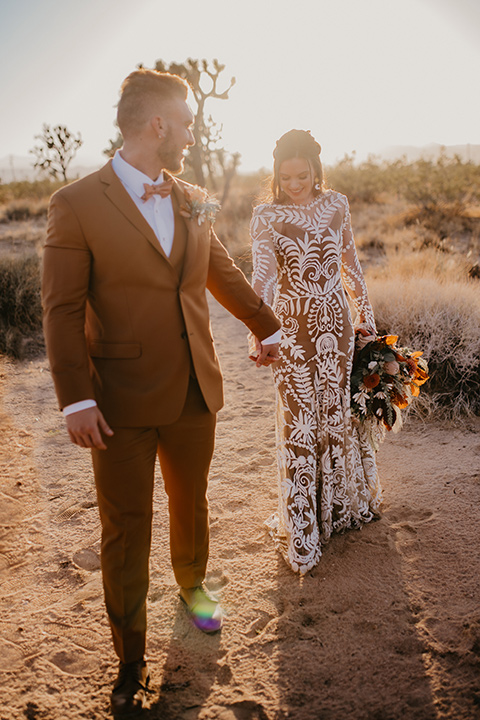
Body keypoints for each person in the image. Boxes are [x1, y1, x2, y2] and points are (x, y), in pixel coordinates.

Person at [42, 68, 280, 717]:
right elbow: (61, 310)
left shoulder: (195, 194)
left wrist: (268, 324)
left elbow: (217, 265)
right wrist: (76, 397)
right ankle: (130, 661)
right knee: (124, 529)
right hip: (115, 400)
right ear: (158, 125)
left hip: (195, 389)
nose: (191, 134)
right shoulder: (76, 202)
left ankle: (194, 592)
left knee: (192, 500)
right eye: (186, 124)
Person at [249, 129, 382, 576]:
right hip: (292, 331)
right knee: (300, 420)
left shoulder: (336, 205)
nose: (294, 184)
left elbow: (351, 264)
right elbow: (263, 278)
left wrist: (366, 317)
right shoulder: (266, 217)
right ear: (276, 174)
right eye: (285, 177)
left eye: (301, 175)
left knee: (336, 411)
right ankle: (305, 526)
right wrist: (258, 329)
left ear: (315, 170)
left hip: (337, 326)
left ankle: (340, 510)